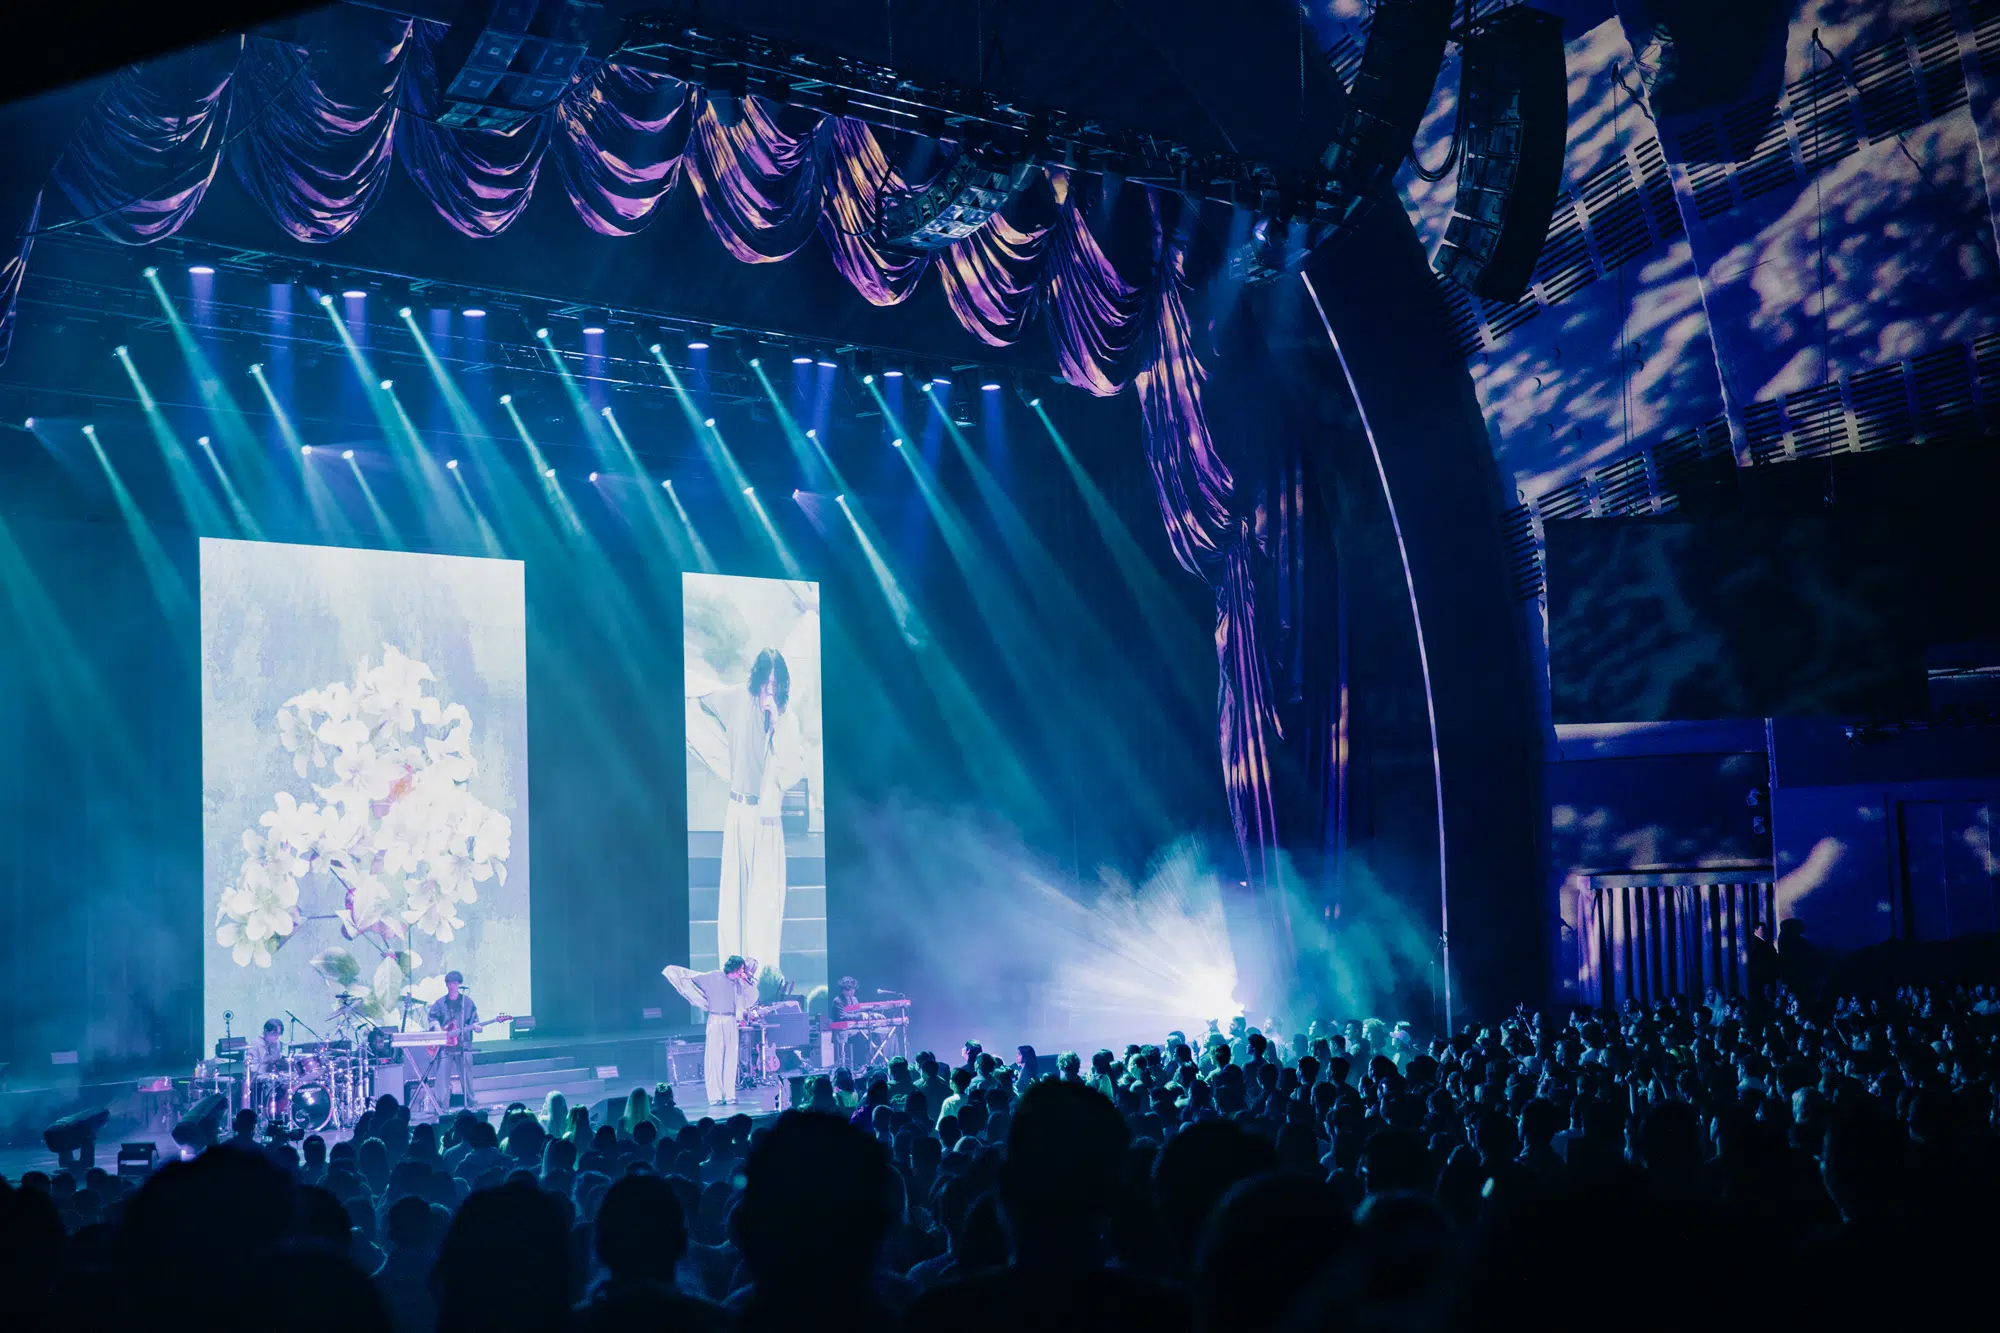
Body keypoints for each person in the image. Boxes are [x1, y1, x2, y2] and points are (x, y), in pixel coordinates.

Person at [691, 647, 802, 969]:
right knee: (733, 899)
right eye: (766, 682)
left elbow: (791, 773)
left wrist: (777, 723)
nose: (770, 690)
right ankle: (732, 970)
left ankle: (761, 971)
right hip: (737, 812)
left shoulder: (787, 719)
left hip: (766, 819)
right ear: (756, 679)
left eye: (776, 684)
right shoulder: (736, 698)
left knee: (764, 903)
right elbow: (701, 692)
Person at [663, 955, 758, 1106]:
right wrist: (676, 975)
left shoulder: (739, 984)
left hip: (731, 1020)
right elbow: (692, 978)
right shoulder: (714, 976)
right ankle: (715, 1096)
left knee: (731, 1058)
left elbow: (752, 997)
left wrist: (745, 982)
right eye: (740, 968)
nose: (742, 971)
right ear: (734, 967)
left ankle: (730, 1095)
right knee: (714, 1058)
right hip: (715, 1019)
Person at [426, 971, 480, 1110]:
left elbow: (475, 1020)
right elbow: (432, 1018)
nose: (451, 986)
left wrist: (476, 1027)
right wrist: (438, 1029)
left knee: (467, 1076)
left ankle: (471, 1103)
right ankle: (442, 1106)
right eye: (449, 983)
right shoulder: (440, 1003)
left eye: (454, 983)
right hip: (446, 1046)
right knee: (442, 1076)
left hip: (463, 1044)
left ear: (459, 984)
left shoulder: (467, 1003)